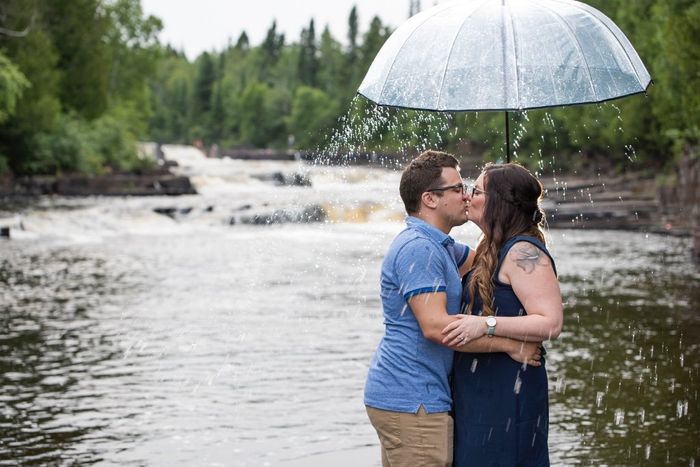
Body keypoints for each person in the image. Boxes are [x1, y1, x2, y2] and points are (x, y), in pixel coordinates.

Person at [364, 151, 543, 467]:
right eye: (458, 188)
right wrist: (510, 344)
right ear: (430, 199)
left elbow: (493, 262)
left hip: (412, 396)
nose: (466, 195)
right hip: (414, 399)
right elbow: (436, 328)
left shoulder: (441, 246)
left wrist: (508, 221)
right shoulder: (419, 249)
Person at [441, 162, 564, 466]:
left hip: (509, 392)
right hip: (479, 391)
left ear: (499, 202)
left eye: (477, 191)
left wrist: (486, 325)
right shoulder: (490, 248)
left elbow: (551, 323)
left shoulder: (524, 251)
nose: (468, 196)